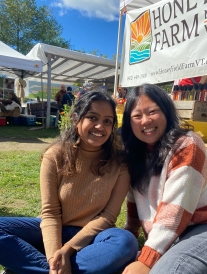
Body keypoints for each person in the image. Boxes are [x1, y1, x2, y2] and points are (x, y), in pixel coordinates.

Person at [0, 91, 138, 274]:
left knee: (125, 241)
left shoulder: (120, 163)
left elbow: (108, 217)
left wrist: (68, 249)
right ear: (75, 119)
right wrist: (53, 256)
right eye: (92, 117)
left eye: (107, 121)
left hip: (95, 238)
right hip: (54, 229)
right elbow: (50, 213)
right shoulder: (55, 155)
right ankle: (53, 268)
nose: (100, 126)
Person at [121, 83, 207, 274]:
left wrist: (147, 259)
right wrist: (130, 233)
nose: (145, 120)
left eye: (152, 112)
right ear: (129, 122)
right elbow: (133, 201)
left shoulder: (187, 144)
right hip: (172, 241)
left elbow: (176, 212)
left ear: (167, 112)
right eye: (137, 116)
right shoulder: (135, 156)